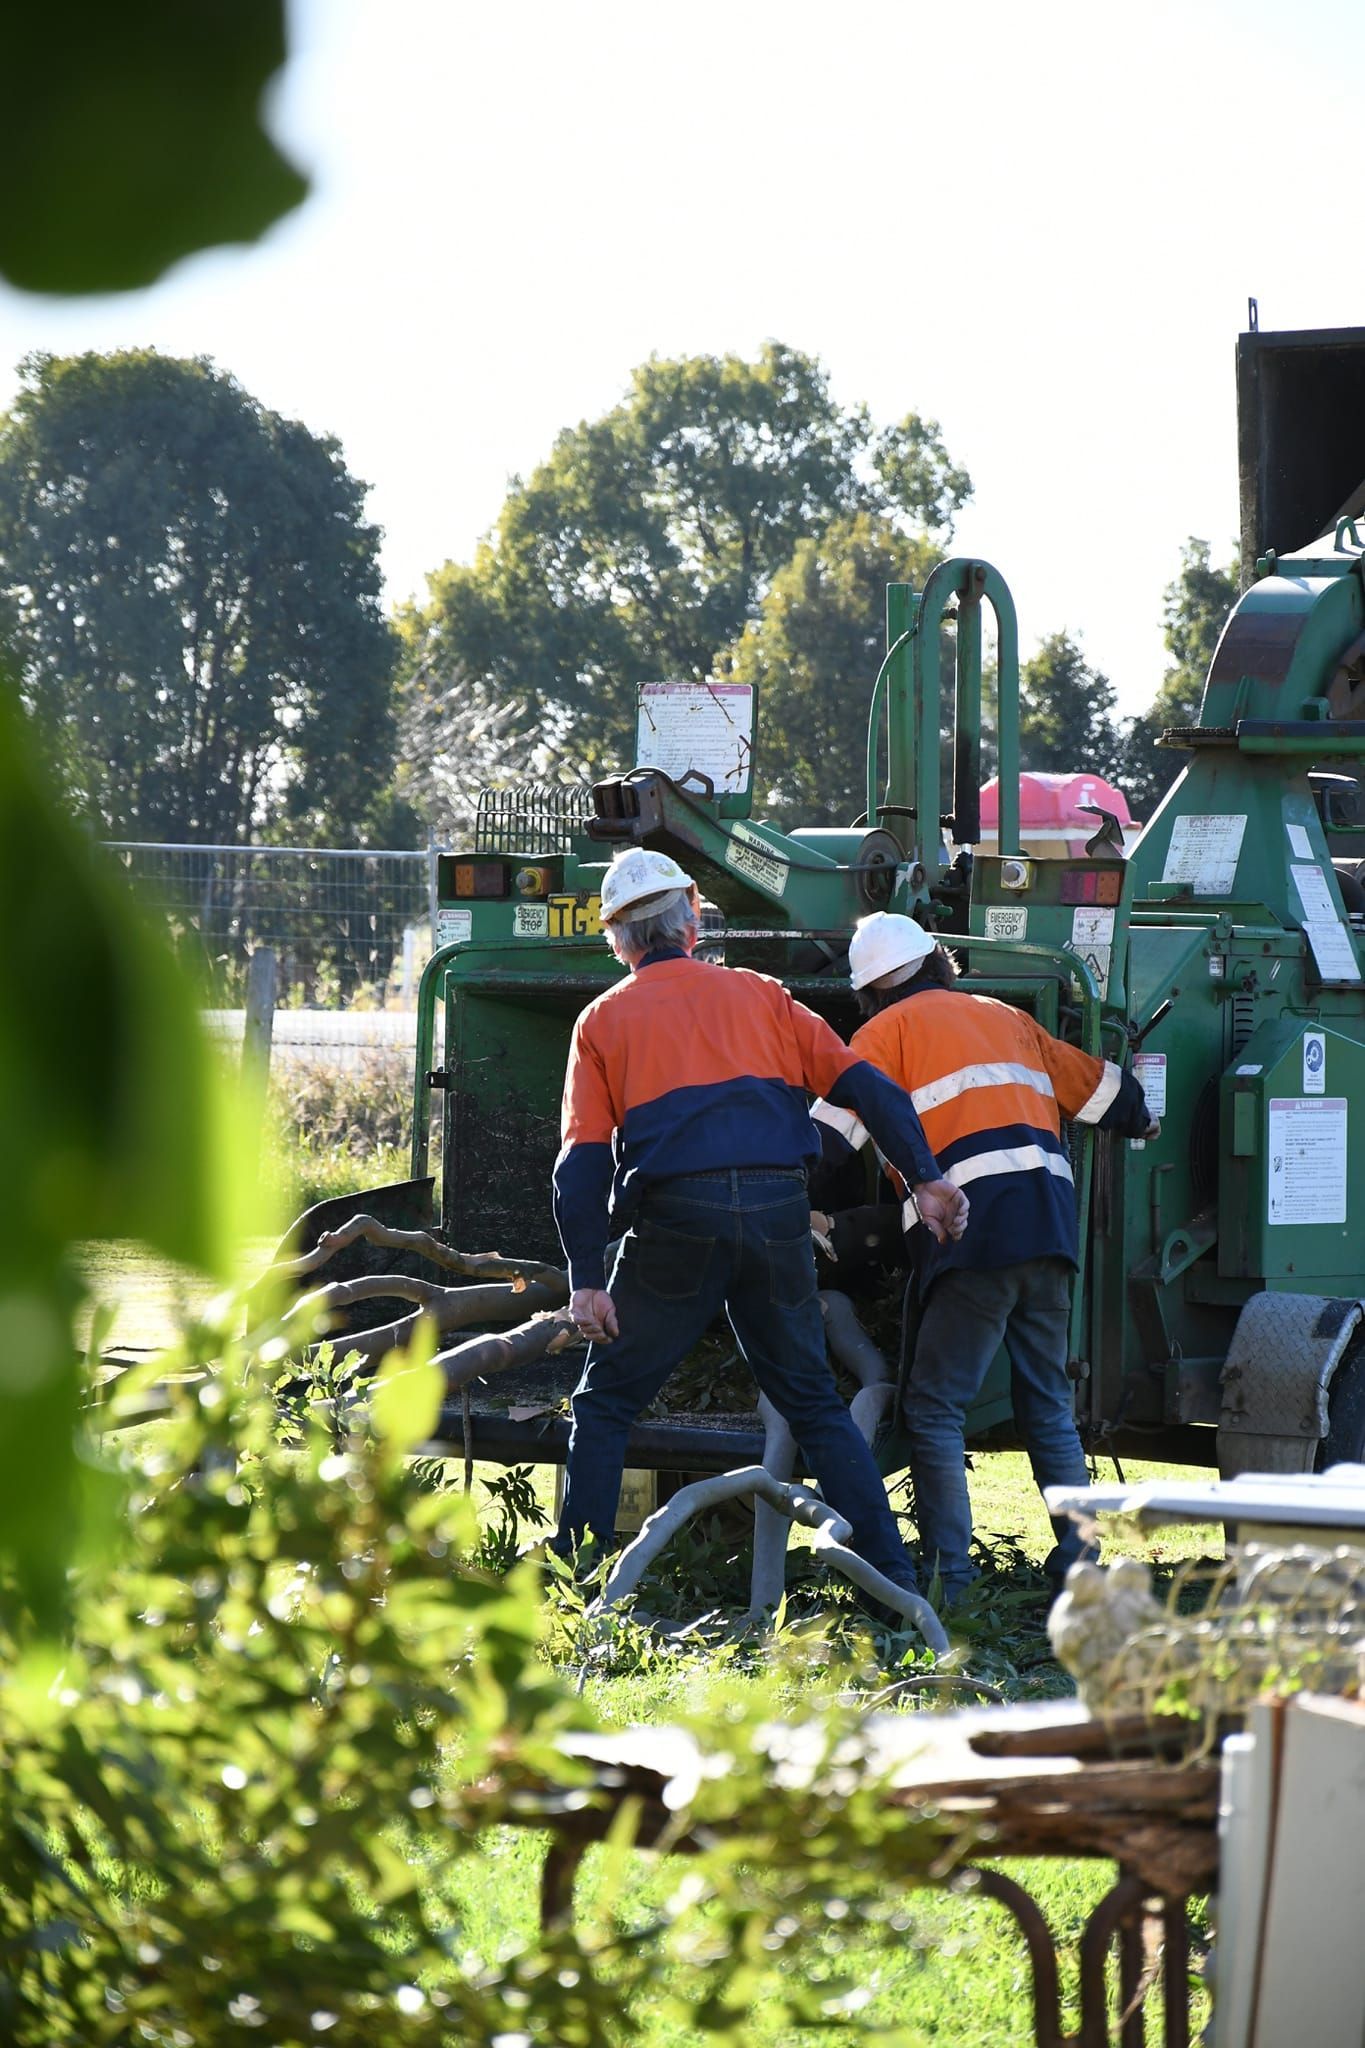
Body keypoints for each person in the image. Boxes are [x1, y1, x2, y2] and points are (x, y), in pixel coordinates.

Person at [552, 848, 969, 1595]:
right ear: (690, 926)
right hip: (779, 1214)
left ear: (617, 941)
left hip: (676, 1221)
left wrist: (587, 1282)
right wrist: (927, 1180)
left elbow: (579, 1165)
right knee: (812, 1398)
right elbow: (870, 1091)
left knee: (604, 1402)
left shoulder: (600, 1020)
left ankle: (578, 1590)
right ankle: (896, 1588)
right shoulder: (763, 996)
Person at [813, 911, 1158, 1602]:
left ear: (868, 992)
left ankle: (951, 1582)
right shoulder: (1003, 1015)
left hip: (970, 1231)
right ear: (939, 963)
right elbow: (1101, 1091)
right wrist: (1140, 1116)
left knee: (934, 1409)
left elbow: (825, 1141)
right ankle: (1082, 1565)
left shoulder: (880, 1034)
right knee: (1047, 1405)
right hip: (1049, 1223)